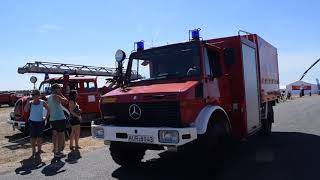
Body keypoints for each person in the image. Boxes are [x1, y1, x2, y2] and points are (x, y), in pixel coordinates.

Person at [24, 89, 49, 157]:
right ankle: (33, 151)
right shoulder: (30, 103)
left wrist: (46, 117)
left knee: (39, 137)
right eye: (32, 94)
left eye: (34, 94)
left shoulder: (42, 102)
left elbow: (48, 109)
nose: (33, 96)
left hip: (40, 122)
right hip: (32, 122)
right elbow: (25, 110)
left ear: (38, 95)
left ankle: (39, 150)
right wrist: (27, 102)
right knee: (32, 137)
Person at [48, 84, 69, 158]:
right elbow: (66, 101)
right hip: (59, 118)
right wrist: (60, 94)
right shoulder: (56, 96)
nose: (60, 90)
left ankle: (55, 150)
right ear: (56, 89)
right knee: (61, 136)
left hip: (53, 118)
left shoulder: (49, 97)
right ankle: (59, 152)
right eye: (59, 88)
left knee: (54, 135)